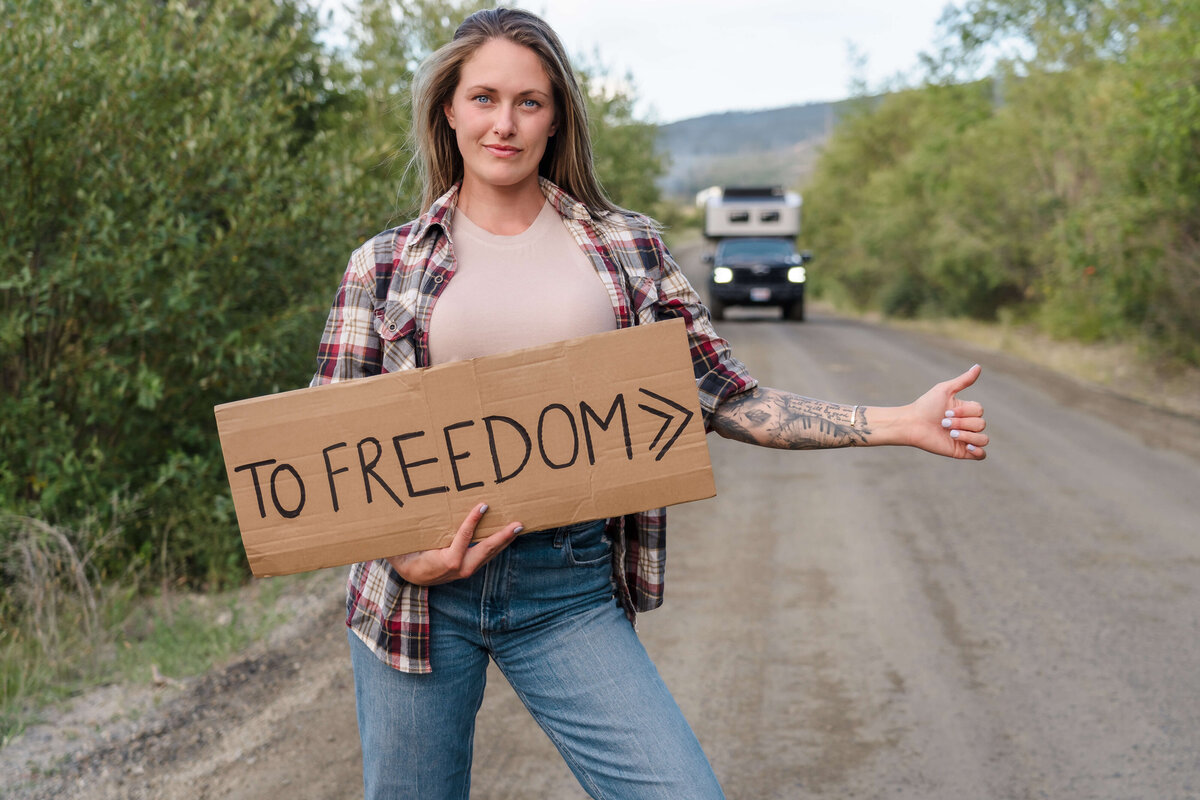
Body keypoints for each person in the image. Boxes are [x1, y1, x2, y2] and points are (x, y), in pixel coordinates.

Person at [310, 8, 989, 799]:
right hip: (420, 595)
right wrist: (401, 553)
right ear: (449, 110)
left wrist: (900, 422)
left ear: (557, 114)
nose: (505, 123)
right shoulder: (385, 264)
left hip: (564, 587)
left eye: (529, 101)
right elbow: (333, 450)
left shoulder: (625, 247)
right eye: (484, 98)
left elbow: (728, 398)